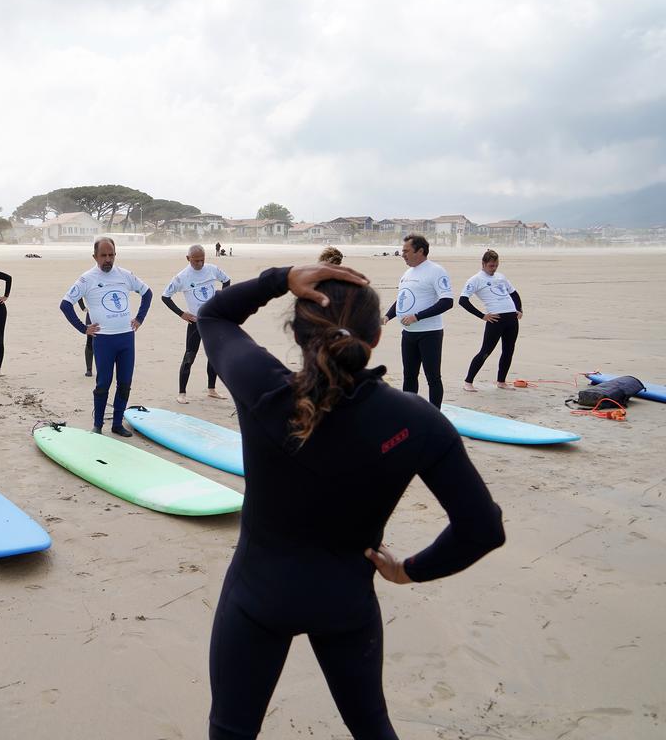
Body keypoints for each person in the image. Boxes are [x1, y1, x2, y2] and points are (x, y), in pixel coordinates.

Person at [199, 263, 505, 739]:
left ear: (298, 333)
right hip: (345, 604)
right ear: (376, 337)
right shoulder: (416, 420)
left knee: (231, 731)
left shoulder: (264, 389)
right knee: (371, 728)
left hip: (257, 598)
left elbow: (214, 317)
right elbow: (482, 527)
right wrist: (410, 569)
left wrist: (280, 279)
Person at [59, 237, 152, 436]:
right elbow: (65, 304)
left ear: (115, 255)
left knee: (125, 382)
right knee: (103, 383)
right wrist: (83, 328)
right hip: (104, 340)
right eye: (103, 255)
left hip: (127, 338)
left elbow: (147, 293)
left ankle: (117, 424)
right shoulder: (87, 279)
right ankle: (98, 425)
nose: (108, 259)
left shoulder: (125, 275)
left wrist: (140, 318)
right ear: (95, 256)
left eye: (111, 255)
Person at [382, 234, 453, 408]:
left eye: (406, 251)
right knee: (409, 376)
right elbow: (402, 298)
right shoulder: (407, 273)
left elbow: (447, 302)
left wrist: (417, 316)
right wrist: (388, 316)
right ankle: (410, 413)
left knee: (433, 377)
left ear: (420, 251)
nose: (402, 254)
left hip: (430, 333)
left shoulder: (436, 271)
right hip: (408, 334)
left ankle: (435, 414)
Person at [162, 244, 230, 403]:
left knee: (214, 356)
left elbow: (226, 280)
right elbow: (165, 297)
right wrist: (182, 314)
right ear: (188, 258)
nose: (199, 263)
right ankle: (182, 393)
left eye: (202, 260)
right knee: (189, 356)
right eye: (196, 261)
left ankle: (212, 389)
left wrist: (222, 297)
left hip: (213, 320)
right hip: (195, 323)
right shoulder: (182, 277)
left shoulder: (212, 269)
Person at [459, 249, 524, 391]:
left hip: (512, 319)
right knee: (485, 351)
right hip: (495, 320)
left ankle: (501, 381)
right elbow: (463, 301)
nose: (494, 269)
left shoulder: (501, 277)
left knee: (508, 350)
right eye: (491, 266)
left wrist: (519, 309)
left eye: (496, 265)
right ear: (483, 264)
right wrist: (482, 316)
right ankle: (468, 382)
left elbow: (514, 293)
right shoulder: (475, 280)